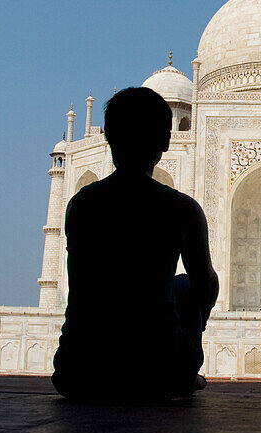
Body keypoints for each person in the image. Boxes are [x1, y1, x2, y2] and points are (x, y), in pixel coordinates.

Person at [52, 87, 219, 400]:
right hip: (161, 372)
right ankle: (183, 373)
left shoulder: (81, 204)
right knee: (187, 285)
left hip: (77, 373)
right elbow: (206, 287)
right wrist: (198, 322)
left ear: (108, 137)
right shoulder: (182, 209)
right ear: (166, 141)